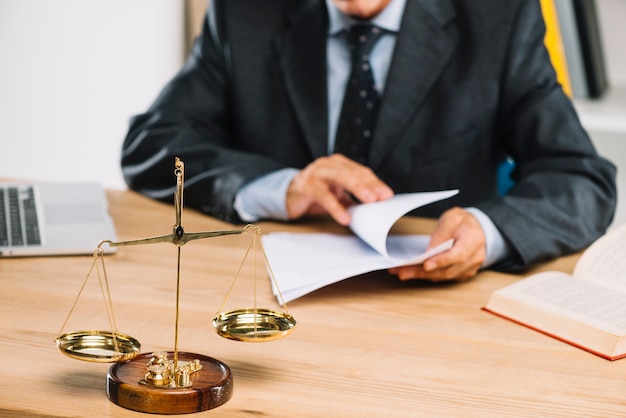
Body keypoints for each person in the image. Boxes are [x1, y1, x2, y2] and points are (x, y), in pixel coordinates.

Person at [121, 0, 616, 282]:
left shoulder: (497, 19)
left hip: (437, 313)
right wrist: (280, 186)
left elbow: (581, 178)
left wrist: (489, 231)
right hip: (262, 296)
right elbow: (152, 145)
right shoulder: (245, 12)